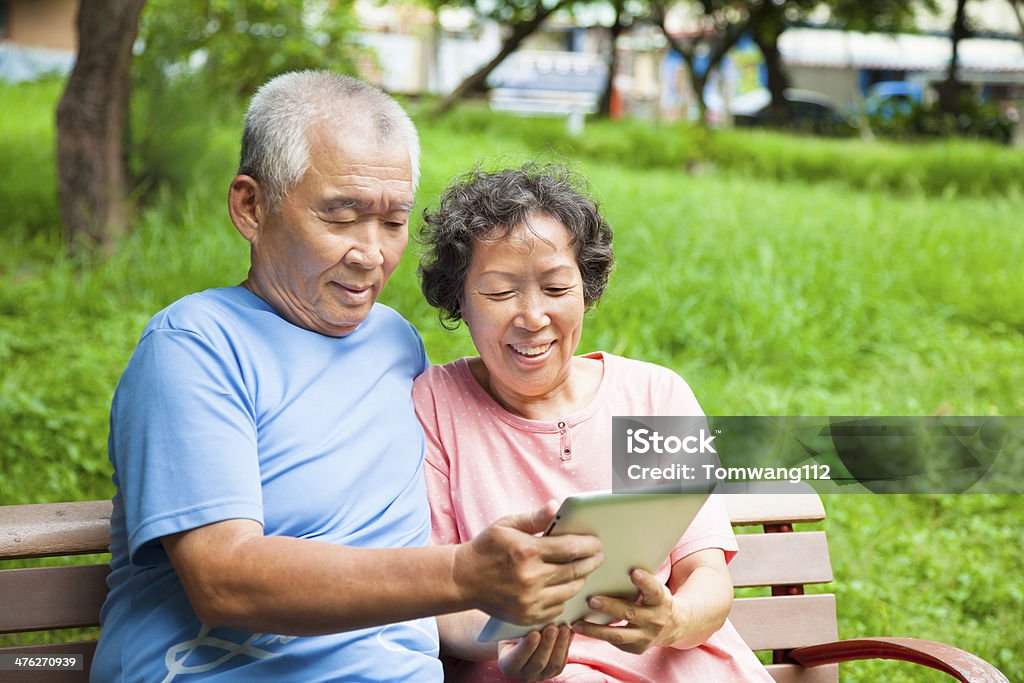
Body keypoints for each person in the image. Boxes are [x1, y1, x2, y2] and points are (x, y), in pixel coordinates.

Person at [92, 72, 603, 682]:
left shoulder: (395, 344)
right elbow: (222, 579)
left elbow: (414, 600)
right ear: (251, 207)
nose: (372, 253)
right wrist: (462, 572)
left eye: (392, 223)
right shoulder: (194, 347)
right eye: (341, 217)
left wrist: (511, 628)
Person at [414, 164, 775, 681]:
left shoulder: (654, 395)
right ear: (460, 302)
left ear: (586, 288)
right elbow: (439, 600)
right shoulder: (434, 405)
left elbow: (707, 575)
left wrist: (671, 621)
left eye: (557, 288)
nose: (533, 316)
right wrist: (507, 642)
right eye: (499, 293)